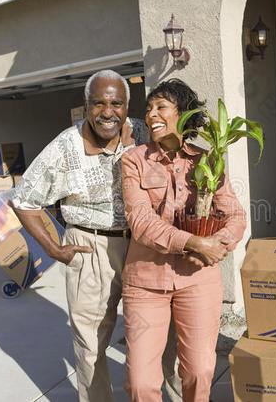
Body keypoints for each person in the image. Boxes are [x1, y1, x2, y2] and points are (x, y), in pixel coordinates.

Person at [11, 70, 182, 402]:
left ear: (127, 105)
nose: (108, 112)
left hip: (143, 245)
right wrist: (53, 248)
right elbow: (23, 200)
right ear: (86, 105)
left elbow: (181, 159)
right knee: (91, 346)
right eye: (98, 103)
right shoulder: (64, 146)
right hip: (90, 249)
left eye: (116, 103)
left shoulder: (145, 131)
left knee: (165, 336)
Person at [121, 78, 247, 401]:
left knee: (200, 371)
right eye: (148, 109)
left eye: (161, 106)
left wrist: (219, 244)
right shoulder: (133, 160)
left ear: (183, 113)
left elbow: (235, 215)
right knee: (141, 381)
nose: (151, 115)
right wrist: (194, 243)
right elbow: (141, 222)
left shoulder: (207, 160)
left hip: (198, 277)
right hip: (146, 281)